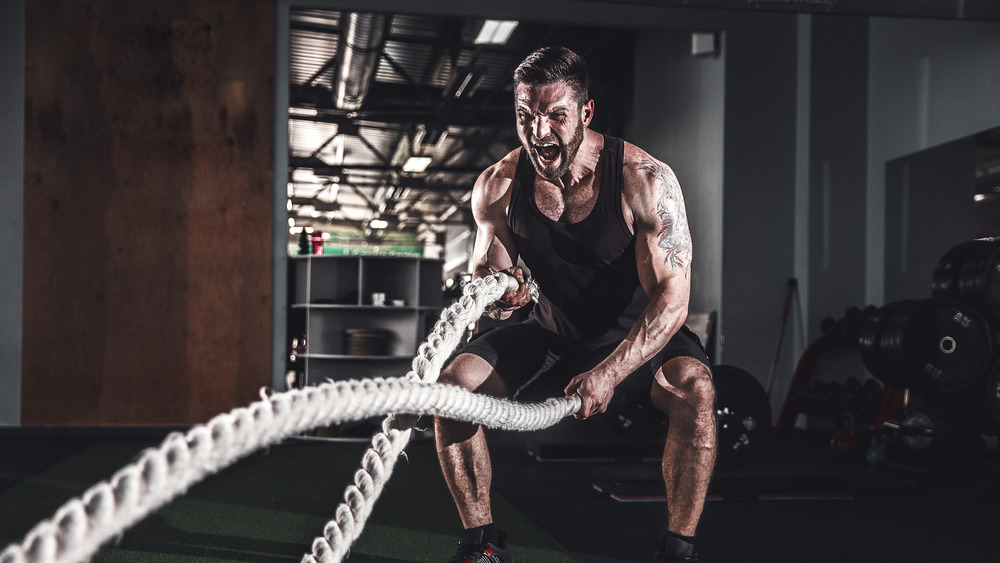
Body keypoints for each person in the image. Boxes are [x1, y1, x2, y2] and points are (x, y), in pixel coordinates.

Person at [435, 46, 716, 563]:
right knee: (452, 387)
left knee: (696, 390)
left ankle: (678, 549)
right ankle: (481, 545)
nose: (539, 131)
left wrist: (610, 371)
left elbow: (673, 297)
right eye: (525, 116)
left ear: (586, 113)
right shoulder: (497, 186)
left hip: (639, 339)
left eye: (555, 116)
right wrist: (503, 295)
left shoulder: (644, 179)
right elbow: (489, 277)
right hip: (552, 334)